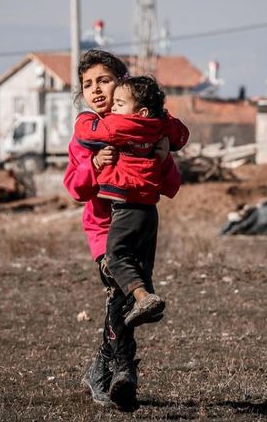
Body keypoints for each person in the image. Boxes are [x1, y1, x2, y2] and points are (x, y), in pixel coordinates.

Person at [62, 50, 185, 411]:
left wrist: (162, 156)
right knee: (121, 291)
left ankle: (100, 371)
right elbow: (74, 189)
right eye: (87, 84)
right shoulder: (86, 136)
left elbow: (170, 185)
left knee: (126, 299)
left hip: (139, 222)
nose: (96, 90)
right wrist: (95, 165)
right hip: (103, 228)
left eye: (104, 80)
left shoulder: (146, 130)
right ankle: (122, 373)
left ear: (123, 83)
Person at [73, 75, 188, 327]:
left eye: (119, 102)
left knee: (116, 259)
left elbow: (87, 132)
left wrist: (84, 118)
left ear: (141, 111)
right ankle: (150, 303)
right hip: (148, 212)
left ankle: (144, 299)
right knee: (142, 267)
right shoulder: (158, 128)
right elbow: (181, 134)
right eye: (88, 85)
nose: (112, 107)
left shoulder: (118, 125)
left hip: (126, 208)